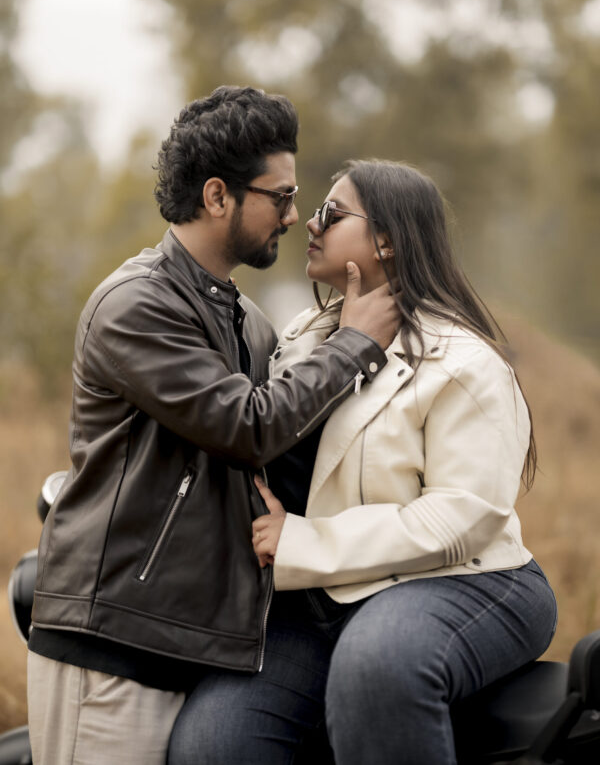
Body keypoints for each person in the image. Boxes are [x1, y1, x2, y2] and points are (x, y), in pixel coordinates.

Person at [27, 90, 400, 765]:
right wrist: (354, 345)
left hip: (190, 649)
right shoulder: (136, 305)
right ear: (218, 195)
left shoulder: (248, 323)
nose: (294, 216)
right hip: (111, 650)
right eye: (280, 197)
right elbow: (247, 427)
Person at [168, 159, 557, 765]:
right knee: (212, 742)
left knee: (376, 665)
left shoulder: (464, 361)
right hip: (320, 600)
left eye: (332, 213)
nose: (310, 222)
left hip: (463, 579)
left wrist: (301, 542)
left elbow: (460, 518)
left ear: (387, 241)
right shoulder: (300, 339)